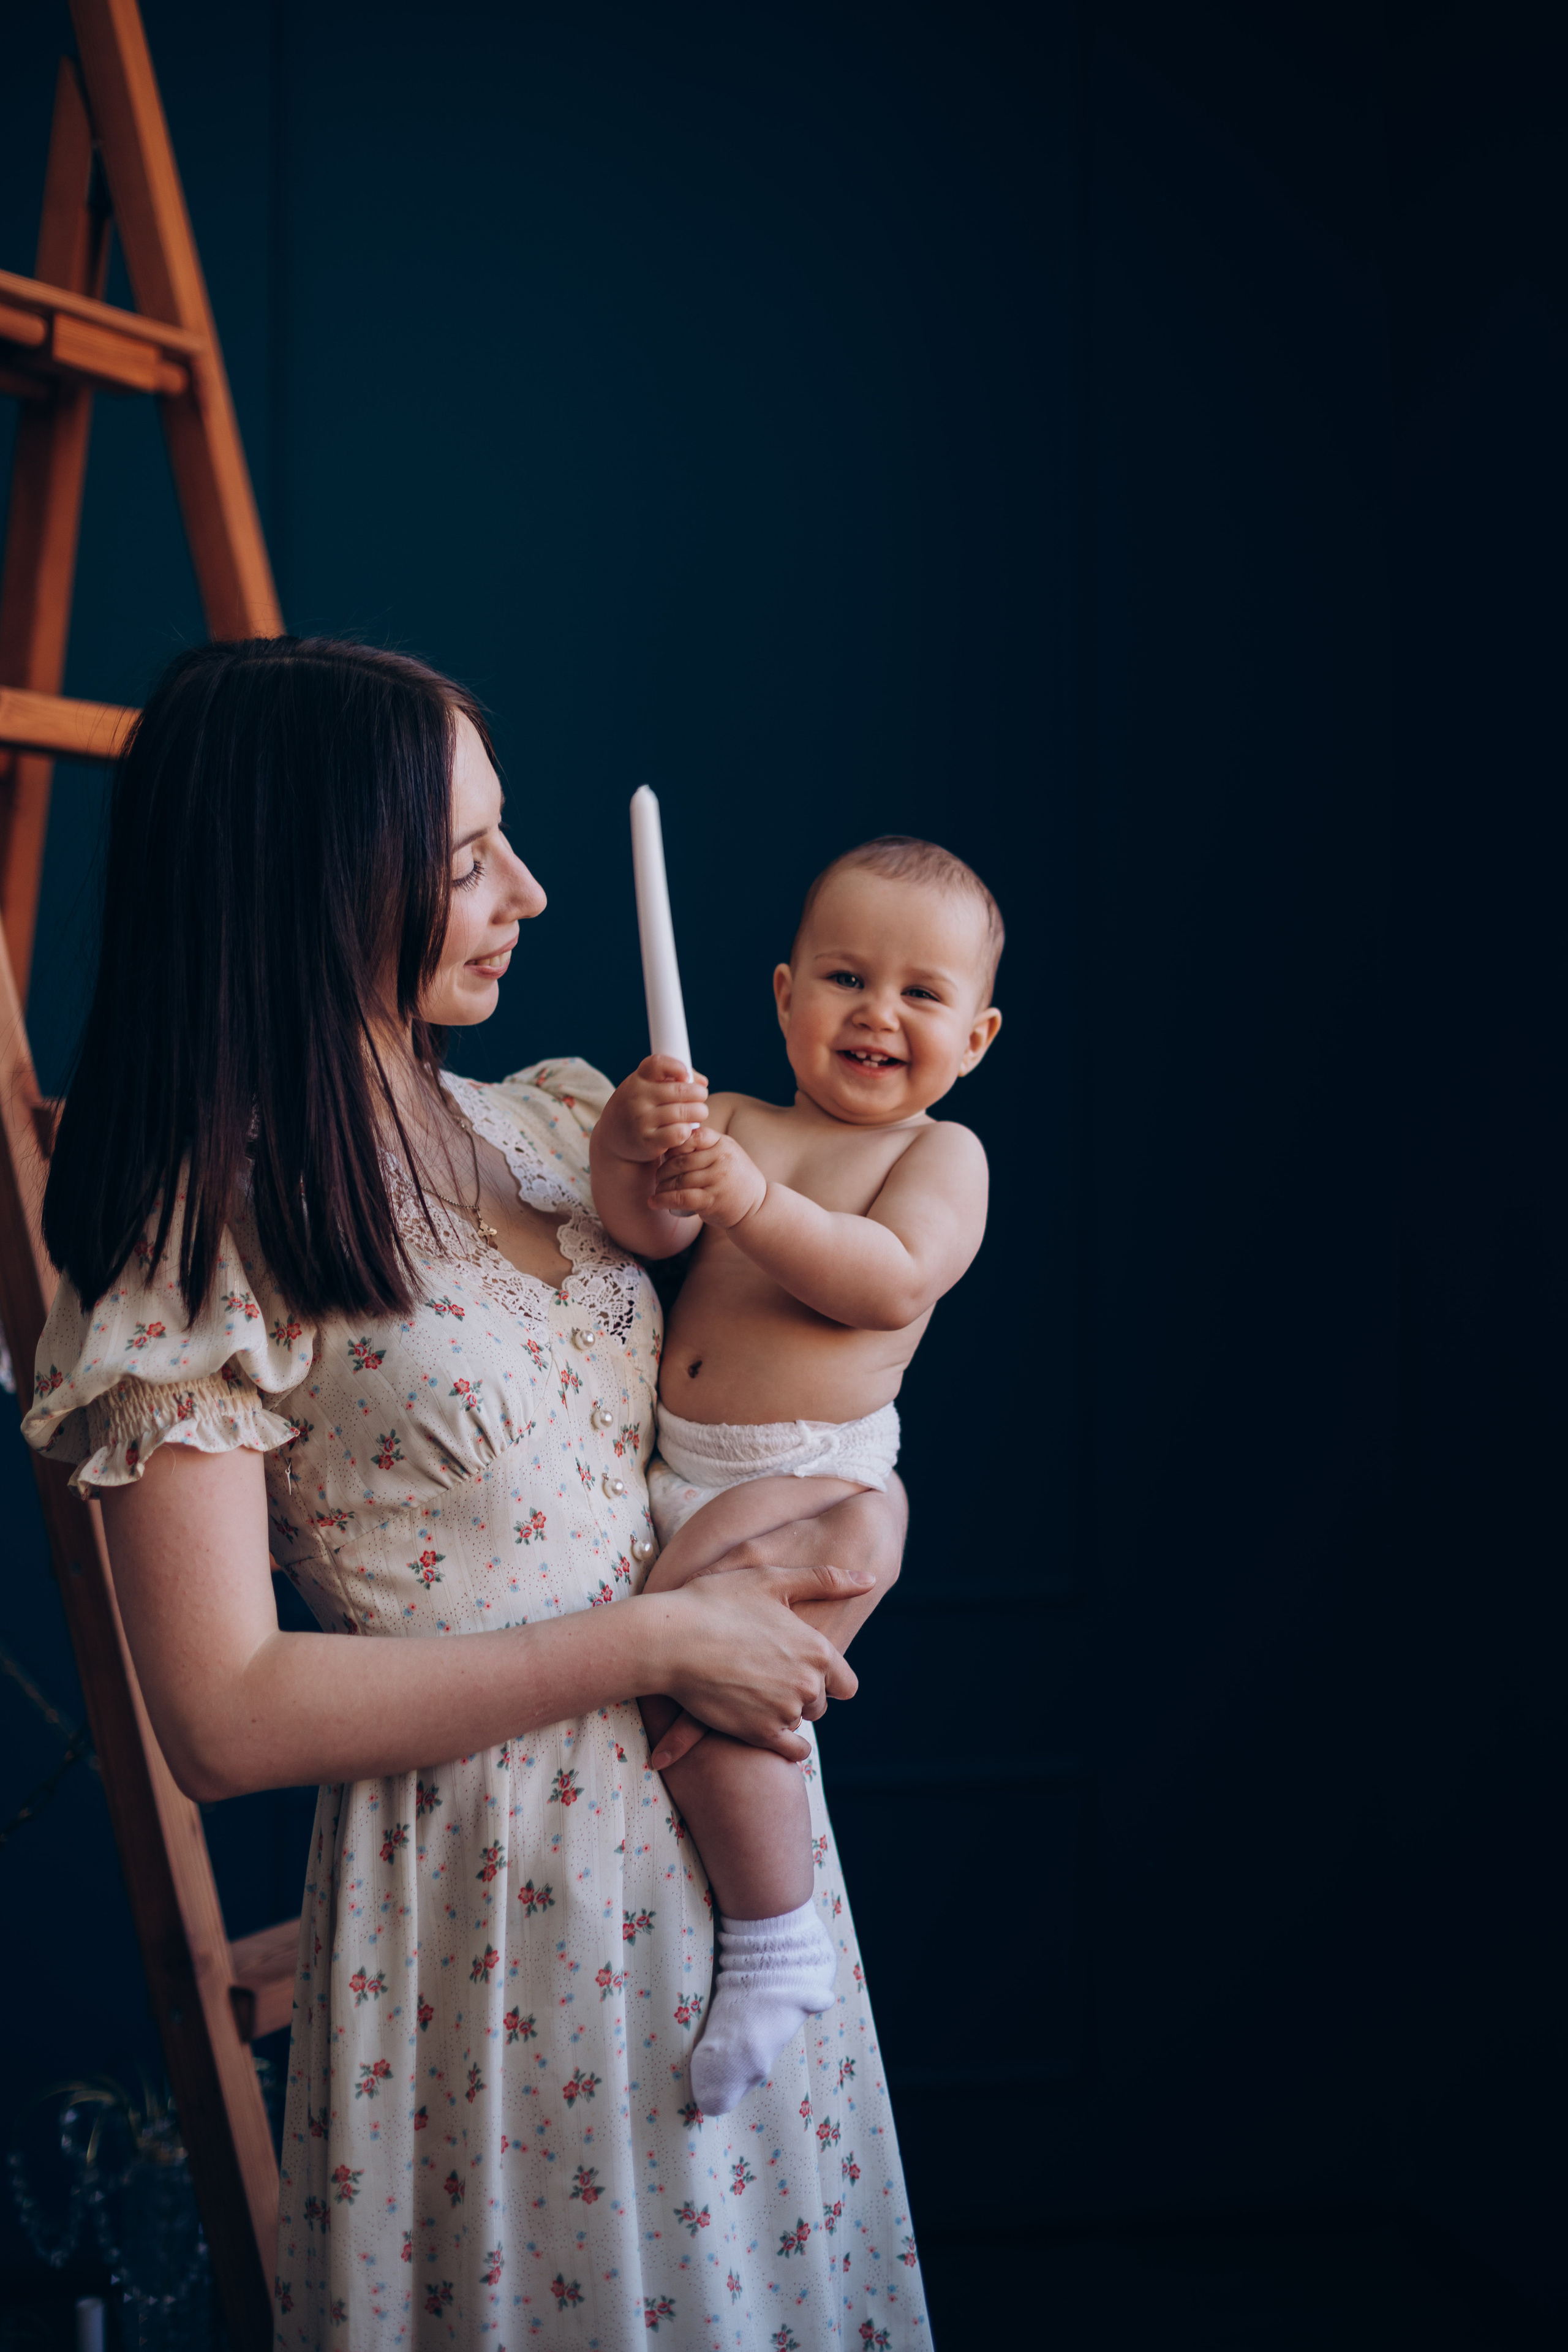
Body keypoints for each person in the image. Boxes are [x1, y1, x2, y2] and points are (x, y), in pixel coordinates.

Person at [20, 638, 930, 2350]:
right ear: (312, 873)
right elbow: (219, 1714)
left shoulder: (550, 1126)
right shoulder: (203, 1222)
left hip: (737, 1881)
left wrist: (842, 1507)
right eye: (461, 860)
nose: (524, 888)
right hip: (498, 1921)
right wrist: (665, 1639)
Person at [590, 840, 1002, 2114]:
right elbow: (641, 1228)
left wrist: (752, 1201)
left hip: (809, 1476)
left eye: (921, 995)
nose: (877, 1012)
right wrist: (634, 1141)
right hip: (684, 1472)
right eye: (842, 977)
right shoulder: (743, 1128)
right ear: (782, 999)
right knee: (673, 1690)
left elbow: (885, 1279)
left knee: (709, 1689)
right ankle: (736, 1922)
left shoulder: (937, 1159)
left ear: (975, 1037)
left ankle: (775, 1936)